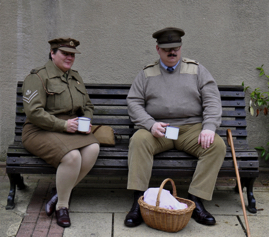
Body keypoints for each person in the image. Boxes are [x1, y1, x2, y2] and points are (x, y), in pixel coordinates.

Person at [124, 27, 226, 227]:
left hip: (191, 129)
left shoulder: (197, 70)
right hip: (159, 130)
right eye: (167, 48)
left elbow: (213, 101)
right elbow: (134, 102)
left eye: (176, 48)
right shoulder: (147, 73)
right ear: (158, 49)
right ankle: (139, 202)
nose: (172, 52)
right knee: (138, 140)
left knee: (217, 146)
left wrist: (209, 127)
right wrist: (149, 124)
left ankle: (196, 200)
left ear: (180, 47)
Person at [22, 38, 100, 228]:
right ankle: (62, 206)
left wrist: (86, 121)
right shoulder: (39, 76)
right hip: (39, 129)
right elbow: (34, 113)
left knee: (93, 148)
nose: (69, 57)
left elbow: (88, 105)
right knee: (72, 157)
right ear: (53, 53)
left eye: (72, 54)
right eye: (65, 53)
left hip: (69, 128)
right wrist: (63, 126)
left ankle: (57, 194)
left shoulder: (75, 77)